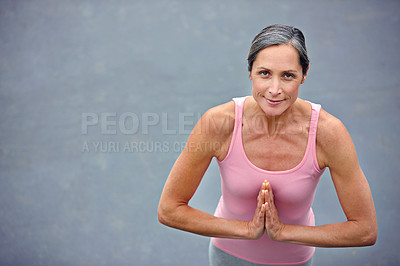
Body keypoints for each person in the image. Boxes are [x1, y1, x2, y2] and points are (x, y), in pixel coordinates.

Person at [158, 24, 377, 265]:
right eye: (264, 73)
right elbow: (169, 209)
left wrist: (283, 232)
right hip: (227, 257)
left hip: (295, 261)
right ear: (250, 71)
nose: (274, 90)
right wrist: (247, 230)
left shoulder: (328, 133)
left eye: (288, 75)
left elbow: (364, 230)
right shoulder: (218, 123)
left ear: (304, 74)